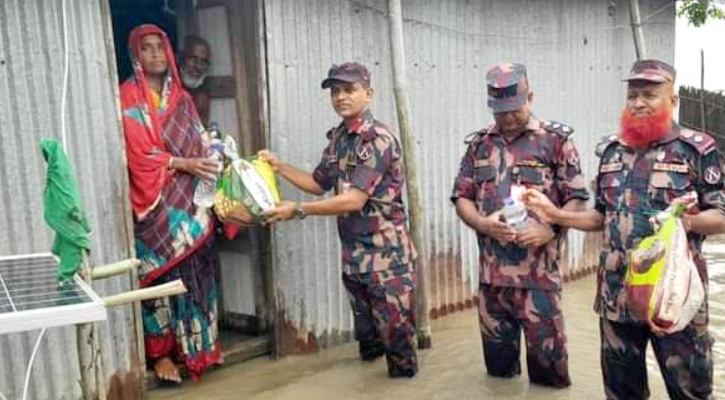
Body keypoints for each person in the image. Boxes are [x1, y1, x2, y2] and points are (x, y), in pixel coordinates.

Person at [524, 59, 725, 399]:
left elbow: (721, 215)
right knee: (621, 393)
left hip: (674, 296)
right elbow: (600, 217)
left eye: (650, 94)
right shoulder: (613, 152)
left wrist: (682, 221)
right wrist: (555, 214)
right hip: (617, 297)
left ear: (672, 100)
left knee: (690, 392)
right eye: (633, 95)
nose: (639, 103)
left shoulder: (696, 150)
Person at [259, 62, 419, 378]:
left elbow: (354, 199)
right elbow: (319, 182)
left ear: (368, 94)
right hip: (355, 262)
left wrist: (299, 210)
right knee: (369, 348)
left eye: (349, 90)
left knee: (400, 356)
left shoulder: (378, 139)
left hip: (387, 263)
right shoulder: (340, 139)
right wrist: (279, 166)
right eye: (335, 91)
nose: (341, 97)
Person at [451, 63, 589, 388]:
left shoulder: (555, 142)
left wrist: (552, 227)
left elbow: (578, 197)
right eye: (500, 111)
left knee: (549, 380)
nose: (508, 117)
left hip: (539, 281)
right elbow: (461, 197)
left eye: (515, 108)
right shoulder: (479, 145)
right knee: (499, 377)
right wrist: (483, 224)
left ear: (531, 97)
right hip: (492, 284)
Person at [119, 24, 222, 383]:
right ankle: (161, 356)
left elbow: (199, 144)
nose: (155, 55)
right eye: (147, 48)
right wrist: (182, 164)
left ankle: (198, 349)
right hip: (155, 205)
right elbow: (138, 156)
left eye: (160, 47)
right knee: (158, 280)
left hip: (191, 205)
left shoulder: (182, 97)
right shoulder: (127, 97)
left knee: (196, 274)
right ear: (136, 54)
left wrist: (216, 160)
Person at [179, 35, 212, 127]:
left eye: (203, 62)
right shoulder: (167, 86)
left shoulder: (203, 92)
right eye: (192, 59)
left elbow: (202, 128)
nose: (198, 66)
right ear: (181, 58)